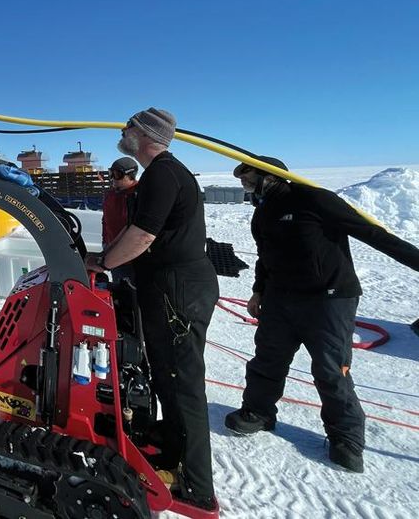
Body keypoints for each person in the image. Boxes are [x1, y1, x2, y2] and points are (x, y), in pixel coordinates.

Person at [225, 156, 419, 473]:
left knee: (331, 370)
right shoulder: (262, 211)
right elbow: (265, 255)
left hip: (328, 300)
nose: (242, 182)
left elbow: (373, 234)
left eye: (245, 174)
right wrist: (259, 290)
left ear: (268, 175)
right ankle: (258, 413)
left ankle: (346, 440)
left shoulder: (313, 198)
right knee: (267, 360)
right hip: (280, 299)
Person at [89, 108, 218, 511]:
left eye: (128, 127)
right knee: (165, 374)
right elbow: (135, 231)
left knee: (183, 384)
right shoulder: (156, 175)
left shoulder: (163, 173)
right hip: (166, 287)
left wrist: (105, 263)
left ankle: (196, 487)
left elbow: (143, 236)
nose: (122, 132)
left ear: (143, 134)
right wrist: (110, 255)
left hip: (176, 290)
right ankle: (168, 448)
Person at [101, 156, 140, 283]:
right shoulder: (111, 195)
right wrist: (105, 242)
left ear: (130, 175)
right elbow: (105, 220)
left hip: (132, 257)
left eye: (117, 174)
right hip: (113, 253)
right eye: (111, 173)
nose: (112, 178)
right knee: (120, 288)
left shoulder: (138, 195)